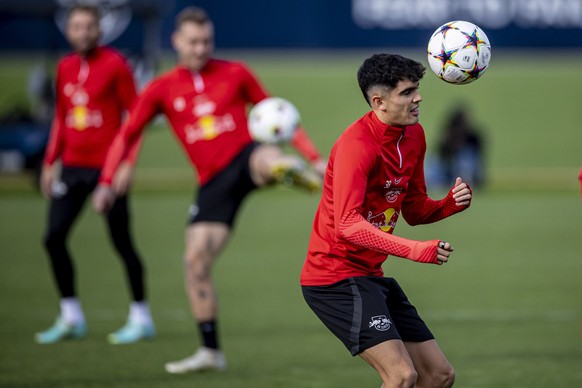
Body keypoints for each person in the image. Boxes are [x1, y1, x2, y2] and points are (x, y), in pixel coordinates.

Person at [93, 6, 326, 373]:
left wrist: (313, 156)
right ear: (177, 42)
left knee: (267, 156)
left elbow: (278, 118)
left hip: (245, 157)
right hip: (212, 183)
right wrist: (108, 180)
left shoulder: (236, 73)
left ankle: (299, 174)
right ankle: (210, 352)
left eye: (206, 41)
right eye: (193, 42)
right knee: (194, 262)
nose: (201, 48)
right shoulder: (161, 89)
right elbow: (127, 134)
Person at [300, 54, 472, 387]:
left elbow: (415, 209)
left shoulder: (414, 136)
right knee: (401, 375)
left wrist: (449, 205)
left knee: (438, 376)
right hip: (333, 279)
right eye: (407, 92)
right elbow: (347, 224)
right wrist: (414, 250)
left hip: (369, 275)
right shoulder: (357, 145)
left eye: (417, 89)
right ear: (379, 101)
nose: (418, 97)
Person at [36, 4, 154, 345]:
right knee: (53, 238)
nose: (83, 32)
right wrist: (49, 161)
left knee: (122, 243)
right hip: (71, 167)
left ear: (100, 30)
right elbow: (61, 116)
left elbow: (135, 118)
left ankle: (141, 316)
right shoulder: (65, 67)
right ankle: (71, 315)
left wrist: (127, 165)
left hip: (107, 169)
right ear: (68, 30)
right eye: (77, 27)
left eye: (89, 26)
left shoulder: (115, 64)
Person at [436, 104, 485, 188]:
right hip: (449, 166)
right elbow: (442, 154)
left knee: (465, 157)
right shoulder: (448, 135)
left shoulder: (472, 136)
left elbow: (478, 156)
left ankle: (467, 181)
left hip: (467, 168)